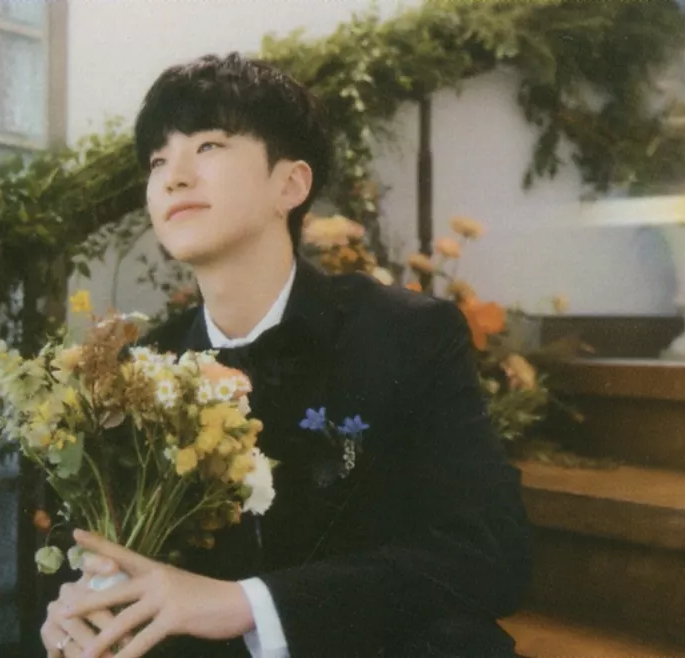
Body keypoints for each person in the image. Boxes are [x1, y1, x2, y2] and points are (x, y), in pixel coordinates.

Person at [39, 52, 532, 658]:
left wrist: (247, 605)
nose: (174, 177)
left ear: (290, 185)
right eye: (158, 160)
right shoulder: (139, 371)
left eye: (209, 145)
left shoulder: (404, 334)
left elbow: (491, 554)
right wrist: (87, 610)